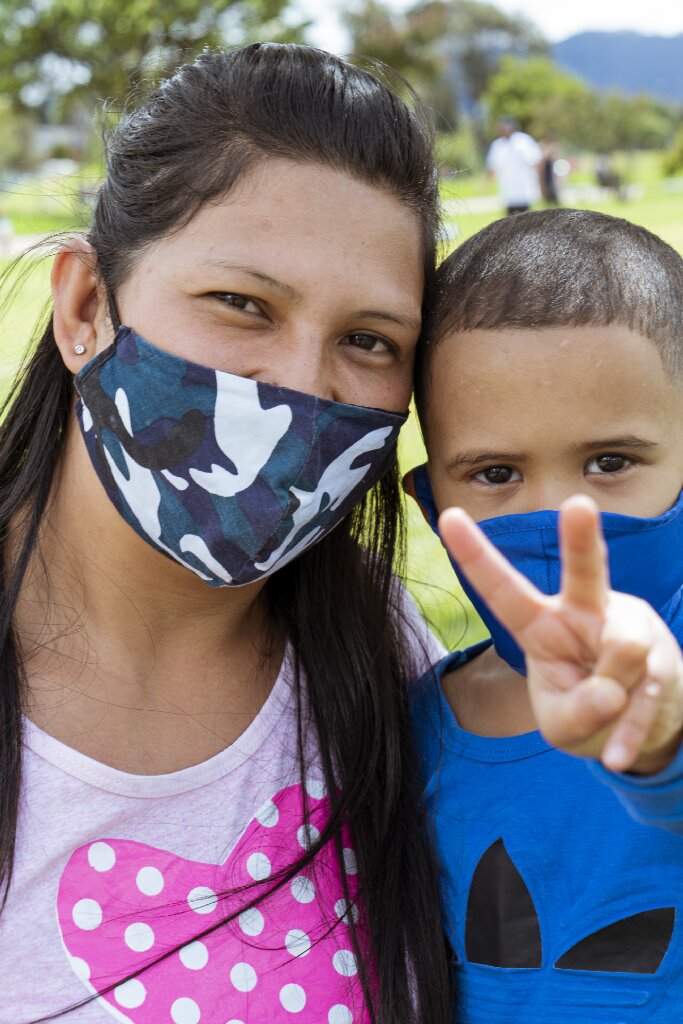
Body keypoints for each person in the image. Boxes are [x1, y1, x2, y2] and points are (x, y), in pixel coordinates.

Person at [0, 45, 453, 1023]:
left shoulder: (386, 653)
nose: (301, 382)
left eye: (368, 340)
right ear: (85, 306)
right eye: (242, 304)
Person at [408, 208, 683, 1023]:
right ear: (429, 505)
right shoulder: (413, 722)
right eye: (494, 473)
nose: (562, 515)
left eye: (609, 462)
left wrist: (657, 747)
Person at [485, 118, 542, 216]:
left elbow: (536, 162)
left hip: (524, 193)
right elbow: (492, 167)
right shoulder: (497, 145)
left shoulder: (524, 141)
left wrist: (540, 183)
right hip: (508, 194)